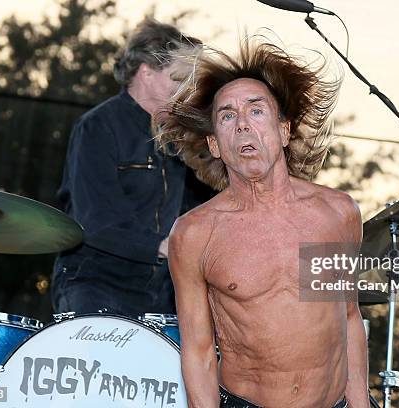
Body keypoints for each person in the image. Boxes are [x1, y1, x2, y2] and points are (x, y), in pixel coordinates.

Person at [159, 41, 369, 407]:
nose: (242, 124)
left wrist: (361, 404)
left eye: (256, 111)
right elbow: (199, 352)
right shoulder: (195, 233)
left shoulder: (337, 213)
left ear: (284, 131)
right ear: (215, 145)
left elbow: (349, 318)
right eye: (227, 116)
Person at [51, 18, 205, 318]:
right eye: (179, 78)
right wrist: (165, 246)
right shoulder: (98, 127)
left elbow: (199, 208)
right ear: (146, 72)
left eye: (193, 81)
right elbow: (97, 220)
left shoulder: (180, 137)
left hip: (159, 291)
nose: (188, 89)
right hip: (95, 284)